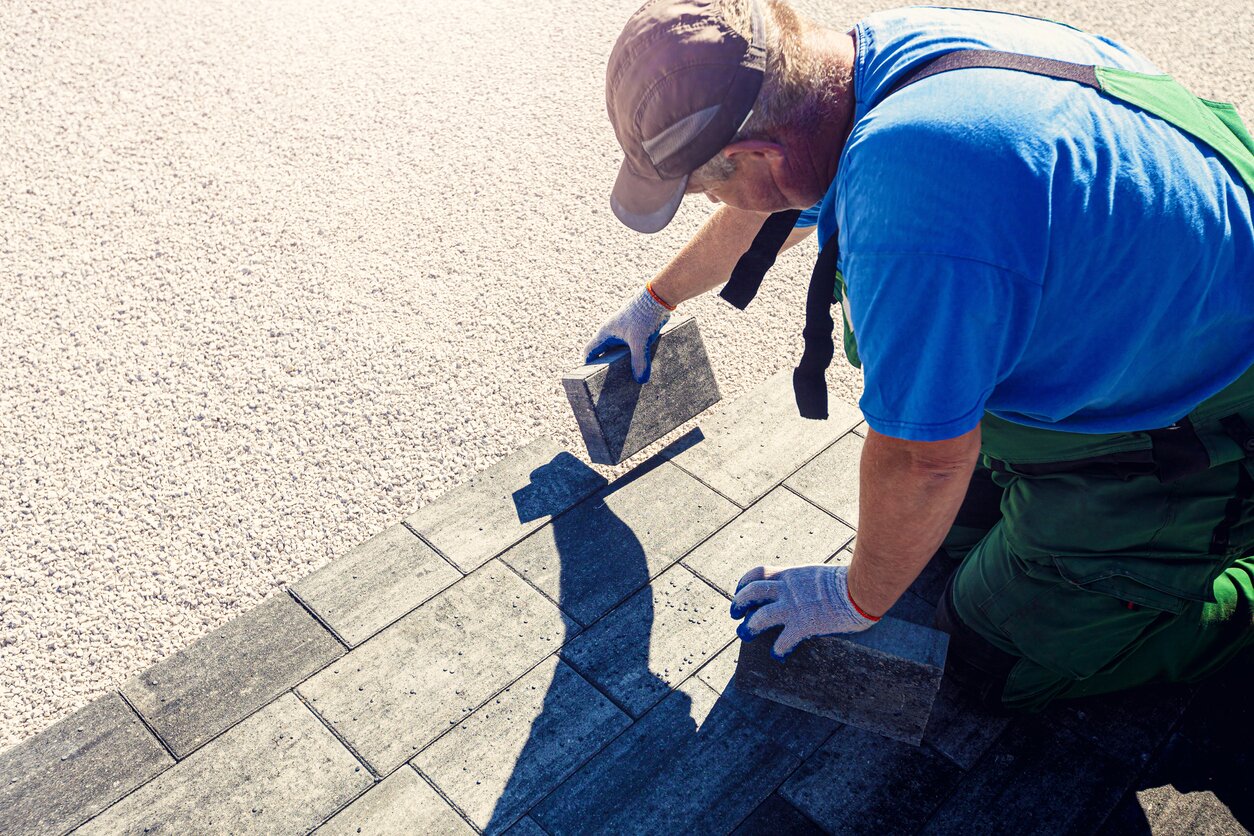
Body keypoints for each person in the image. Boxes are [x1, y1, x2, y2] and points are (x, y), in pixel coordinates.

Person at [584, 0, 1254, 711]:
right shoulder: (851, 75)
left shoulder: (917, 200)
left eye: (710, 184)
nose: (716, 199)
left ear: (761, 155)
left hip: (1202, 408)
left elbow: (924, 460)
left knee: (983, 658)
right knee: (935, 548)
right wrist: (658, 300)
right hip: (1154, 319)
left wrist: (854, 601)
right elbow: (770, 204)